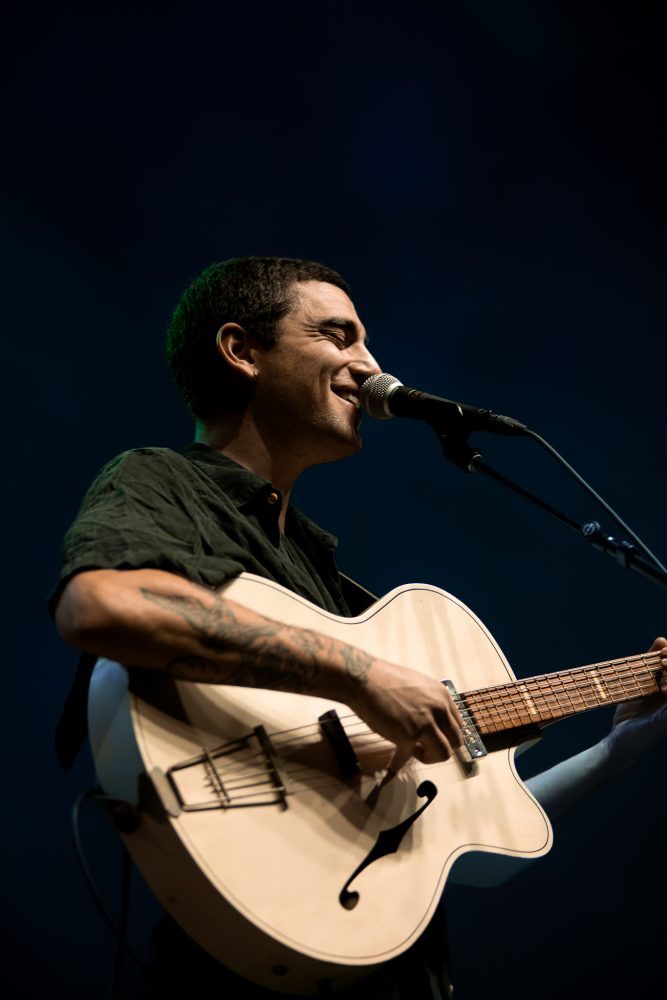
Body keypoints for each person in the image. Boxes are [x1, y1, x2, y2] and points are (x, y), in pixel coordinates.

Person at [51, 256, 667, 999]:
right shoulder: (164, 480)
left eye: (366, 342)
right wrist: (359, 674)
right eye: (337, 336)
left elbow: (467, 852)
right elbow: (103, 606)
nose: (370, 365)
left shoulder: (322, 574)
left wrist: (616, 750)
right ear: (241, 351)